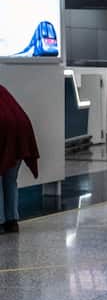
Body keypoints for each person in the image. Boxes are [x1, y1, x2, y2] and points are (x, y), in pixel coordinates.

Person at [0, 83, 39, 234]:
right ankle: (12, 221)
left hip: (4, 131)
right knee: (10, 179)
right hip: (21, 132)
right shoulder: (2, 89)